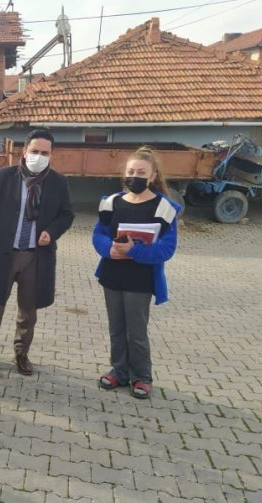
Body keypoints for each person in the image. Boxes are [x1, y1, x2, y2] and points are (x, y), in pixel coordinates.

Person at [0, 129, 74, 375]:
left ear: (51, 155)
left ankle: (21, 354)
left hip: (36, 256)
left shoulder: (58, 182)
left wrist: (51, 232)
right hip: (2, 254)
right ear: (24, 151)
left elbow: (67, 215)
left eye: (44, 153)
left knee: (28, 310)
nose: (39, 157)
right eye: (34, 151)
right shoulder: (2, 177)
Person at [92, 147, 180, 399]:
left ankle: (141, 376)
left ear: (153, 176)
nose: (135, 176)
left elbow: (167, 249)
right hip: (113, 275)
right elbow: (98, 234)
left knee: (136, 332)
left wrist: (134, 251)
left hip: (140, 279)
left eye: (141, 172)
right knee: (116, 329)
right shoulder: (111, 203)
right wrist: (109, 249)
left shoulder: (164, 208)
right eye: (131, 171)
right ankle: (119, 372)